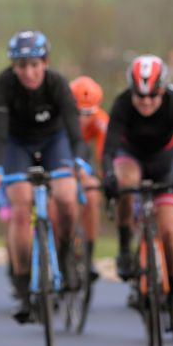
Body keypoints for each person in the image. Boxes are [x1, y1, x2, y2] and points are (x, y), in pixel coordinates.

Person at [0, 30, 86, 323]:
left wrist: (79, 161)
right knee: (20, 209)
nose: (29, 72)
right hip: (17, 145)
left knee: (67, 197)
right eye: (21, 66)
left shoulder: (57, 84)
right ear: (13, 67)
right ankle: (21, 287)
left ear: (45, 62)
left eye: (34, 64)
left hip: (53, 142)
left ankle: (66, 252)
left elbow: (75, 133)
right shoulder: (4, 85)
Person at [102, 55, 173, 335]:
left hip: (164, 163)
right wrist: (108, 176)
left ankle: (172, 296)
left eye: (152, 97)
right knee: (124, 180)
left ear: (163, 90)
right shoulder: (121, 103)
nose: (145, 103)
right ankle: (123, 247)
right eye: (139, 96)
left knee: (168, 229)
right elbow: (108, 151)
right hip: (131, 158)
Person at [71, 75, 108, 280]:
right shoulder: (61, 117)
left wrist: (104, 178)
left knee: (92, 196)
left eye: (88, 113)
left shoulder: (101, 120)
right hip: (63, 157)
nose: (82, 119)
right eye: (78, 112)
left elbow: (104, 153)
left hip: (85, 160)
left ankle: (89, 255)